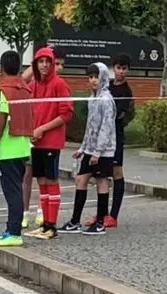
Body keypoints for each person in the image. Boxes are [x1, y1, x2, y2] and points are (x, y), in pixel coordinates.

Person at [58, 62, 116, 235]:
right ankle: (75, 221)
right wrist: (83, 148)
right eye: (90, 77)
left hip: (104, 151)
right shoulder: (92, 99)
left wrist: (98, 152)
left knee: (101, 182)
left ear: (103, 77)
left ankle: (100, 222)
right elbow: (90, 127)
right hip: (90, 149)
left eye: (96, 77)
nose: (93, 80)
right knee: (81, 180)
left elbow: (106, 127)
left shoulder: (107, 99)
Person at [0, 50, 34, 247]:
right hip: (23, 147)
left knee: (12, 192)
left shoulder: (3, 90)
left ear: (1, 67)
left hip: (8, 148)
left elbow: (0, 122)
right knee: (17, 190)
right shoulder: (26, 89)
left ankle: (14, 232)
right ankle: (11, 229)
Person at [24, 46, 73, 240]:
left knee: (52, 182)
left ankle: (52, 225)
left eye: (47, 61)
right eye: (40, 61)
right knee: (41, 182)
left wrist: (43, 129)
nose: (44, 65)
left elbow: (66, 114)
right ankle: (45, 224)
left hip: (51, 142)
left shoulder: (59, 84)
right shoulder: (34, 84)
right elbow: (25, 101)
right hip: (36, 141)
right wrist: (31, 129)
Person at [86, 53, 133, 229]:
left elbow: (117, 115)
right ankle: (101, 213)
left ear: (128, 70)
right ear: (113, 68)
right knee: (102, 175)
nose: (120, 72)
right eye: (118, 68)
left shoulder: (126, 92)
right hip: (100, 137)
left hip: (116, 136)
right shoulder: (107, 86)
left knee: (117, 173)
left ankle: (113, 215)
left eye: (124, 68)